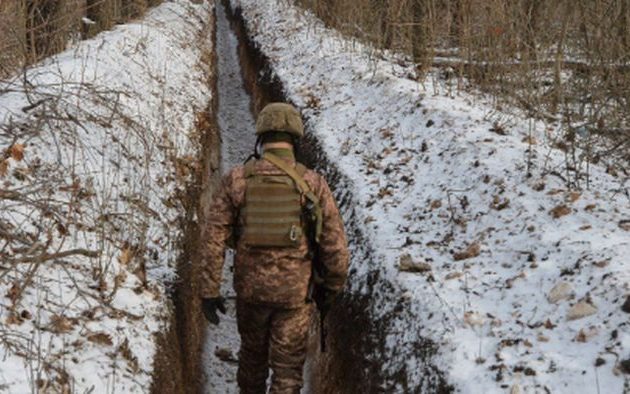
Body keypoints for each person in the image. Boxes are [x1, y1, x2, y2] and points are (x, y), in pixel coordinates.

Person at [200, 102, 349, 394]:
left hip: (250, 292)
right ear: (295, 138)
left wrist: (209, 289)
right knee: (287, 373)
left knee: (252, 362)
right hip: (294, 297)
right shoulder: (313, 184)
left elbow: (213, 236)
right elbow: (335, 248)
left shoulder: (238, 179)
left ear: (261, 137)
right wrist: (329, 290)